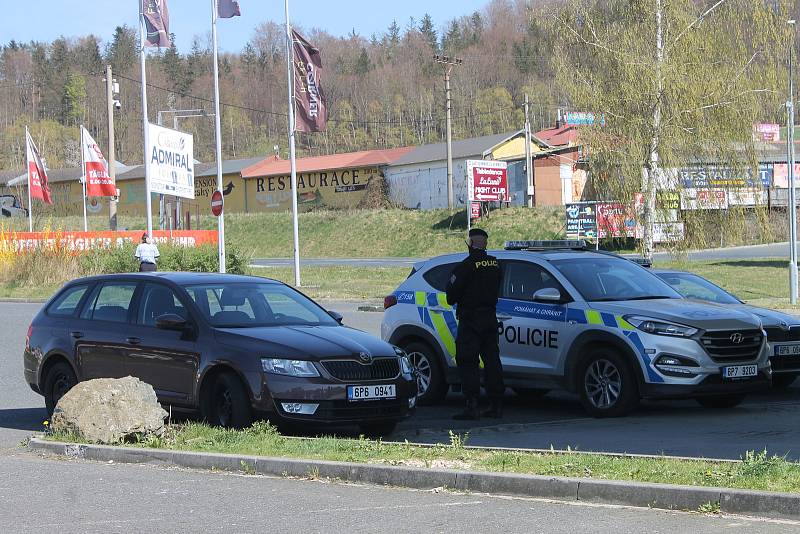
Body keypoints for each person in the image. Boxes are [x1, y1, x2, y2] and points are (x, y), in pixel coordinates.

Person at [445, 228, 504, 420]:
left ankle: (472, 405)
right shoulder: (495, 264)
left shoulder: (466, 266)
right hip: (489, 319)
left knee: (468, 362)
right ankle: (496, 405)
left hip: (470, 321)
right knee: (492, 362)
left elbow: (450, 296)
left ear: (470, 244)